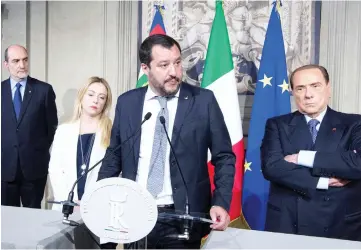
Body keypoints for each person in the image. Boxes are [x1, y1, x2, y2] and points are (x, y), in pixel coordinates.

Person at [97, 34, 235, 249]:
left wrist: (221, 202)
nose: (174, 72)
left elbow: (224, 156)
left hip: (182, 216)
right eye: (164, 65)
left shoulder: (203, 101)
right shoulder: (128, 102)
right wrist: (99, 198)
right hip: (135, 212)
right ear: (145, 68)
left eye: (177, 63)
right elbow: (114, 155)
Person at [261, 64, 361, 241]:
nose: (308, 95)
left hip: (340, 225)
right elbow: (272, 166)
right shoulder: (277, 125)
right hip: (289, 225)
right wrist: (323, 181)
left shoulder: (354, 124)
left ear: (328, 88)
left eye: (315, 86)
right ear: (292, 92)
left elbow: (358, 163)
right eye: (300, 88)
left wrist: (303, 157)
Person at [1, 45, 58, 208]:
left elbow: (51, 127)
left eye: (25, 60)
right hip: (5, 168)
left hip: (34, 169)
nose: (22, 65)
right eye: (16, 61)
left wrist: (36, 149)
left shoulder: (43, 90)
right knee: (7, 220)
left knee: (33, 218)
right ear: (6, 64)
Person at [48, 77, 112, 212]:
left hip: (97, 207)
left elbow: (113, 174)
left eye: (102, 97)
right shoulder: (64, 130)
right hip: (65, 206)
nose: (96, 100)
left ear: (105, 103)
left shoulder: (111, 132)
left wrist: (91, 202)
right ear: (81, 97)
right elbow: (55, 170)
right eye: (91, 94)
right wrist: (69, 201)